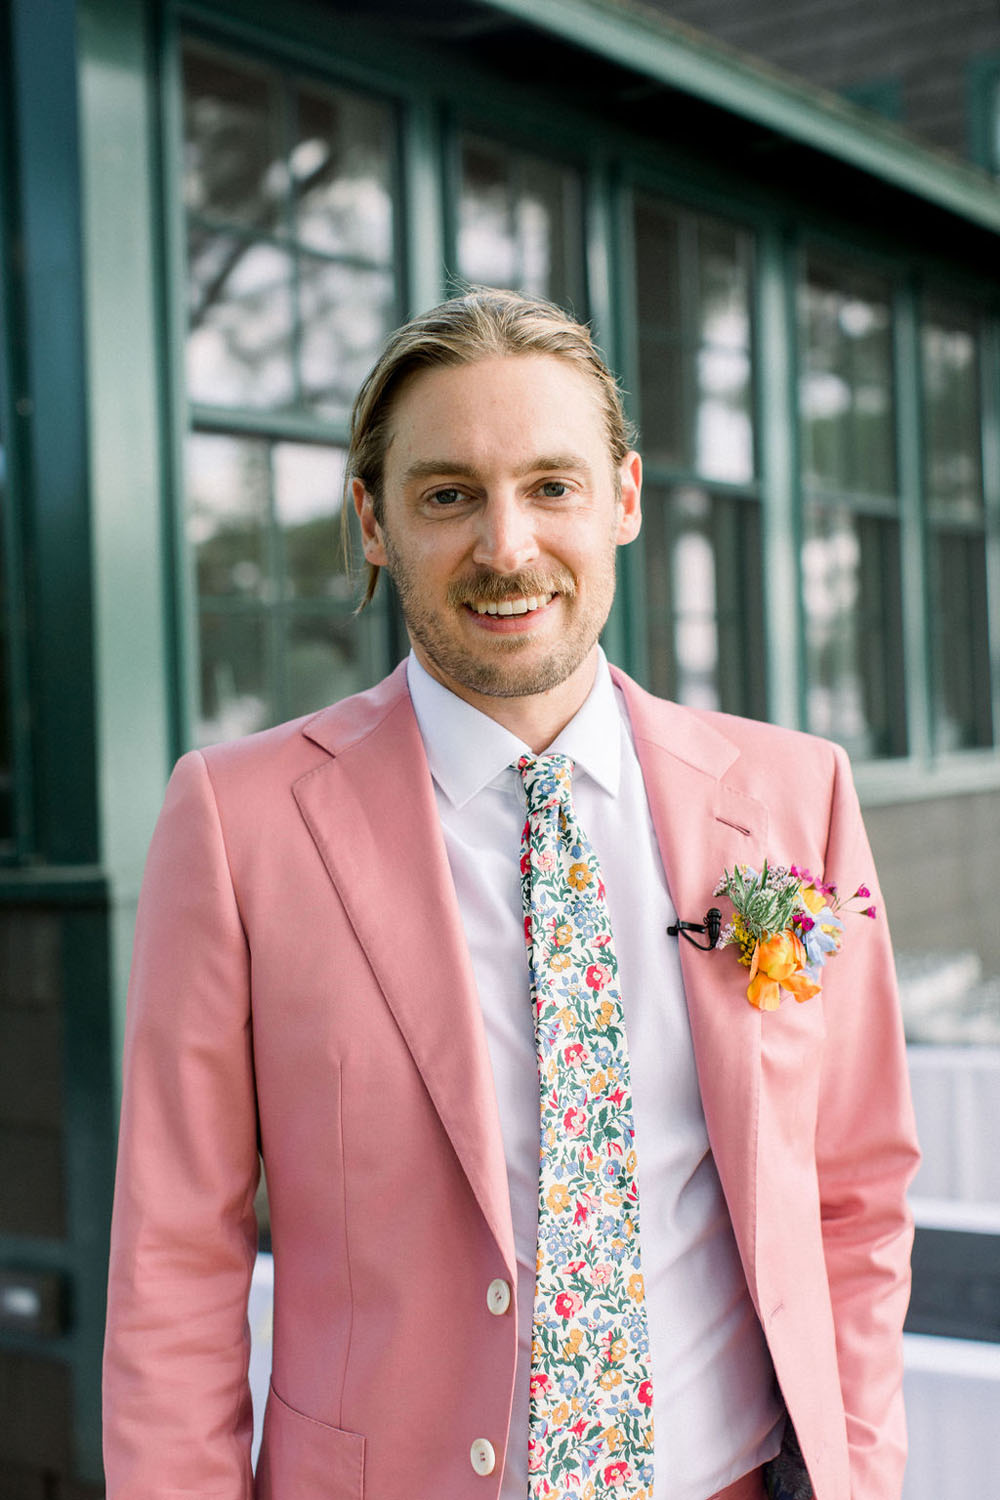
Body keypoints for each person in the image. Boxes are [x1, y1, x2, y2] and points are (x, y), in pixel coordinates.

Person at [103, 288, 920, 1500]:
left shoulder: (796, 796)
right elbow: (175, 1262)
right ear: (373, 521)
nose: (505, 546)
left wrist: (860, 1471)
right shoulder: (238, 823)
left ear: (624, 499)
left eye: (551, 486)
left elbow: (855, 1198)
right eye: (448, 495)